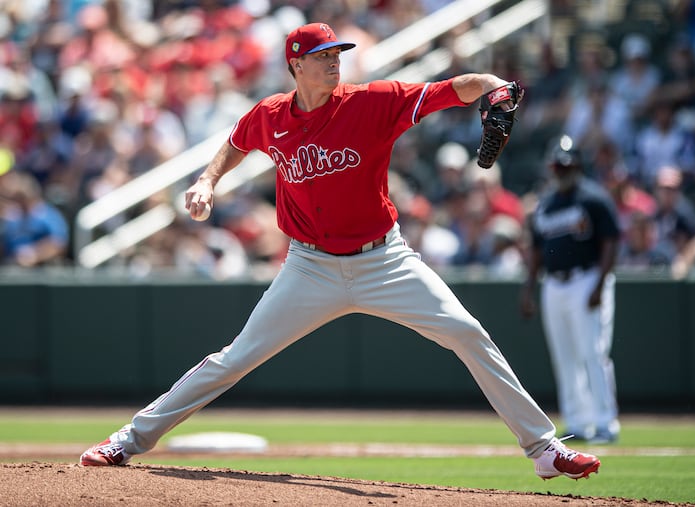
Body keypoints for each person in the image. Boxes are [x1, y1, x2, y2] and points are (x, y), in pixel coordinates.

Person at [79, 22, 601, 480]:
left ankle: (543, 450)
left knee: (467, 333)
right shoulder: (271, 114)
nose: (334, 63)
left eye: (337, 55)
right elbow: (236, 142)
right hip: (309, 267)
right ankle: (128, 439)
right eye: (323, 56)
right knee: (234, 359)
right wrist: (206, 180)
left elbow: (452, 90)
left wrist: (492, 86)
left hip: (385, 261)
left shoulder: (373, 101)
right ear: (295, 65)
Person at [519, 136, 621, 444]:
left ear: (577, 164)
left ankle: (605, 423)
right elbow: (536, 249)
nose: (561, 170)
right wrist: (528, 288)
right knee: (564, 356)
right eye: (556, 165)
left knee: (593, 352)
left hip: (586, 278)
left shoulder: (594, 198)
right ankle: (577, 422)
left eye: (566, 165)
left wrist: (600, 283)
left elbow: (611, 242)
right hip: (554, 284)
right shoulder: (546, 203)